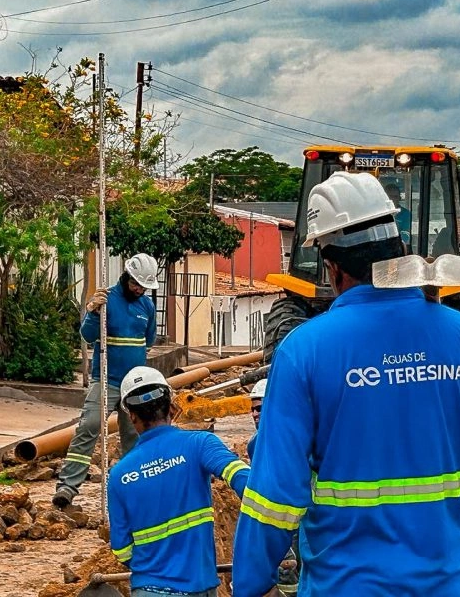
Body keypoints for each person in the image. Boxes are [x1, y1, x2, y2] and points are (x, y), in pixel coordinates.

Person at [232, 171, 460, 596]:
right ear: (401, 248)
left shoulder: (304, 351)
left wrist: (249, 583)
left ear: (332, 266)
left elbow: (275, 498)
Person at [108, 366, 250, 597]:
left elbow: (122, 550)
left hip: (148, 589)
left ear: (132, 416)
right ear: (171, 407)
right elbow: (244, 479)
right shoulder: (200, 444)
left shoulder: (119, 475)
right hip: (198, 587)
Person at [53, 253, 160, 509]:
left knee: (135, 438)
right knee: (89, 426)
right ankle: (67, 487)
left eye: (144, 286)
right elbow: (88, 336)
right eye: (136, 284)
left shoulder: (147, 307)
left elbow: (150, 340)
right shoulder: (107, 299)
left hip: (135, 384)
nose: (139, 289)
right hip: (108, 380)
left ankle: (136, 492)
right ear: (126, 277)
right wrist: (92, 311)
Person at [246, 379, 300, 597]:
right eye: (252, 409)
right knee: (287, 578)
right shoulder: (254, 444)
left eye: (259, 408)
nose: (254, 414)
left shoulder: (294, 439)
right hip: (277, 522)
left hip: (297, 520)